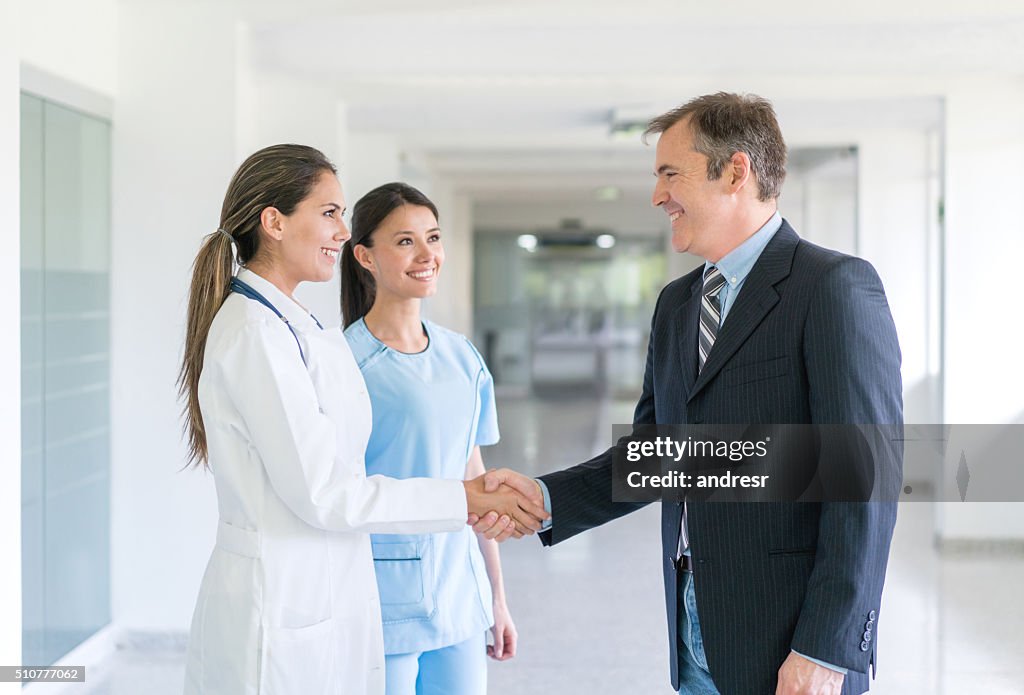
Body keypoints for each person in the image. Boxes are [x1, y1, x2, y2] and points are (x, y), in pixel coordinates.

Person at [477, 93, 903, 695]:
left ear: (735, 171)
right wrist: (547, 497)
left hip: (791, 641)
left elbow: (865, 482)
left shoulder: (832, 287)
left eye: (669, 174)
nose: (657, 196)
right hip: (694, 631)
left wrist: (826, 649)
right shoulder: (678, 306)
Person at [177, 145, 545, 695]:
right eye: (329, 213)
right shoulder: (257, 335)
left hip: (332, 589)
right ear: (274, 223)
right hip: (285, 600)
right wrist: (465, 499)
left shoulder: (293, 327)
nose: (342, 231)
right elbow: (328, 492)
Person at [340, 182, 516, 695]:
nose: (426, 255)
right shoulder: (344, 363)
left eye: (433, 238)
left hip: (461, 595)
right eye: (404, 242)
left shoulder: (462, 356)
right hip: (380, 599)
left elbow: (476, 481)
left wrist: (497, 599)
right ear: (364, 256)